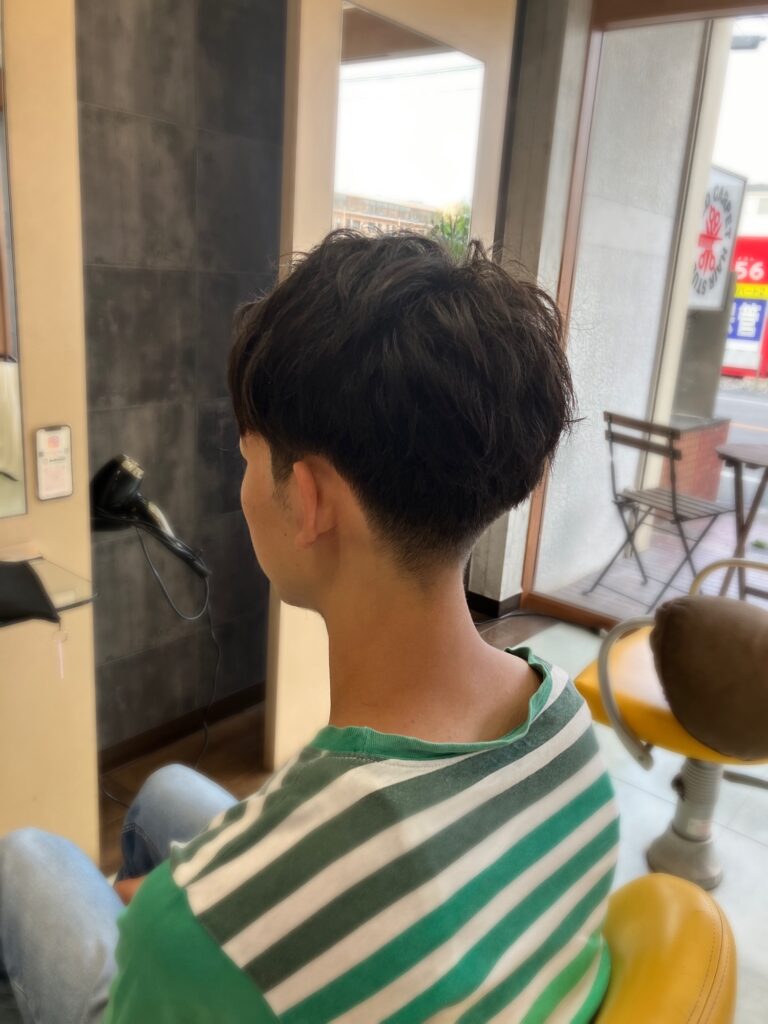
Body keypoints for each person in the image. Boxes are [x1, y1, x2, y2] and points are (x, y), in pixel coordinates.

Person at [0, 231, 618, 1023]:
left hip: (202, 965)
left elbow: (194, 928)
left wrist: (178, 922)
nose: (244, 485)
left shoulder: (178, 932)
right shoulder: (567, 720)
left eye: (247, 456)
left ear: (313, 500)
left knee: (26, 859)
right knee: (163, 795)